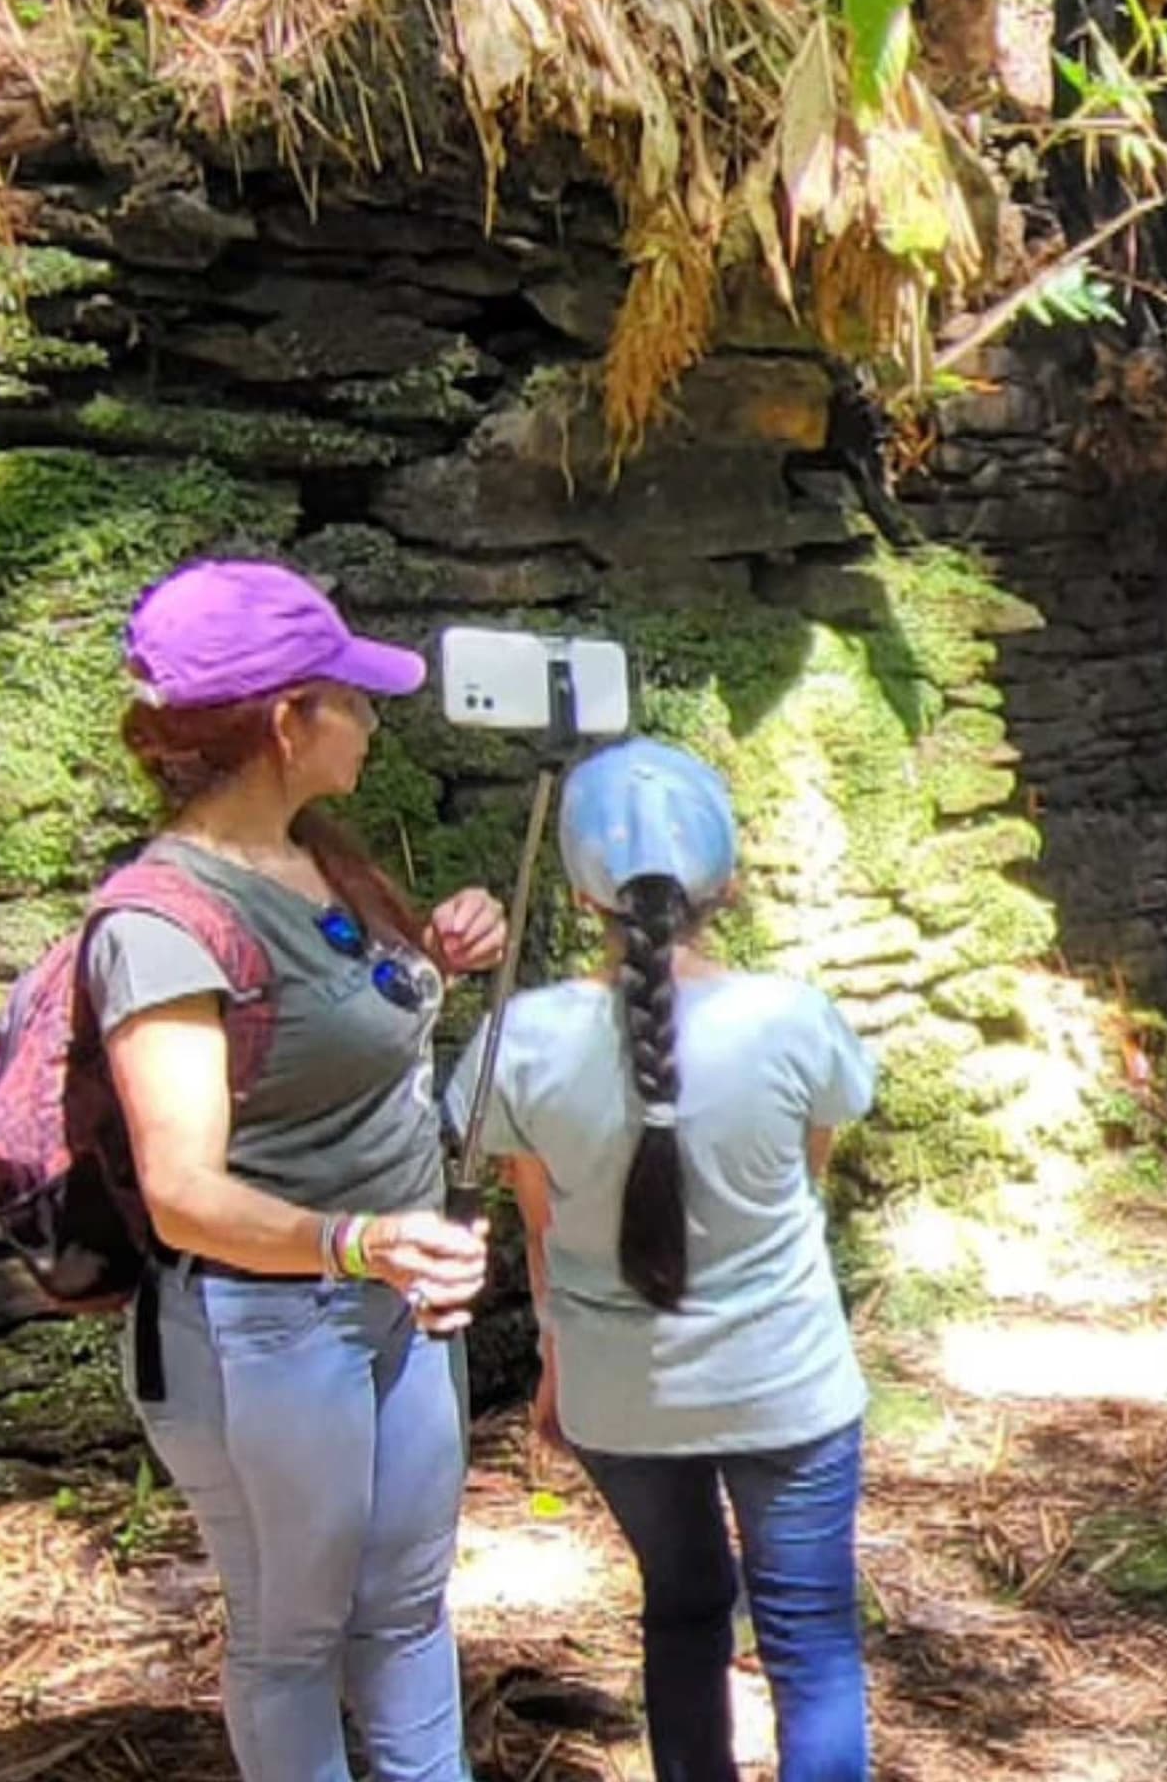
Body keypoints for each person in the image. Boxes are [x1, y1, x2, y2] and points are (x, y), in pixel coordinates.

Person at [96, 559, 505, 1782]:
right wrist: (356, 1242)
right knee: (293, 1637)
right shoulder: (159, 923)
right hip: (269, 1328)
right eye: (355, 699)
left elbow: (334, 1015)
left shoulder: (314, 852)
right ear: (287, 723)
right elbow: (182, 1192)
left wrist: (437, 950)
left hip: (396, 1305)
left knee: (407, 1607)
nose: (375, 723)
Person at [449, 739, 881, 1782]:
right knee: (812, 1640)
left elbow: (537, 1224)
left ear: (580, 891)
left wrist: (556, 1363)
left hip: (617, 1395)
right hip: (787, 1384)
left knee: (682, 1610)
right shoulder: (793, 1020)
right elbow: (807, 1175)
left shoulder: (527, 1038)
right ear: (725, 881)